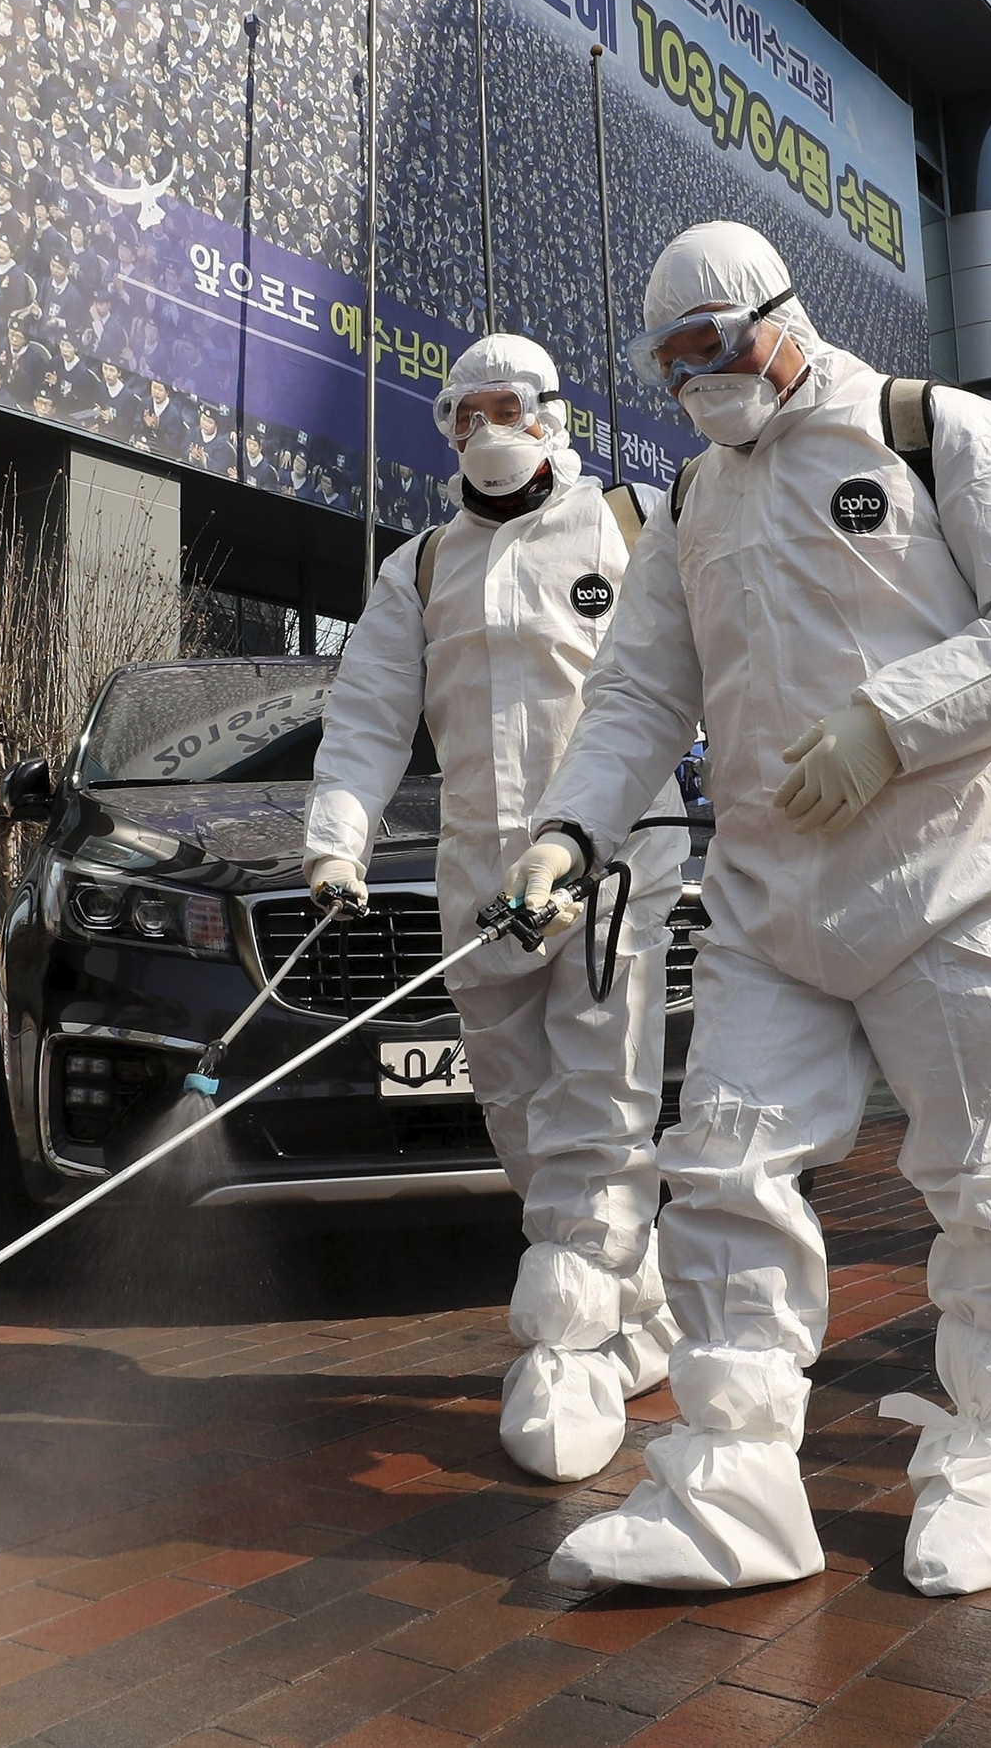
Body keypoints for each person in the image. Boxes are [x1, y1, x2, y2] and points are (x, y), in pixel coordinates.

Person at [501, 222, 991, 1598]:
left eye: (710, 344)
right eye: (668, 362)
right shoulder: (693, 504)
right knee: (718, 1165)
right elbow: (641, 692)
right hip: (774, 895)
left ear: (778, 315)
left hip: (954, 867)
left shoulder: (929, 429)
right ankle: (733, 1480)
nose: (694, 378)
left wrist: (892, 724)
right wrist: (564, 834)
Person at [304, 333, 681, 1484]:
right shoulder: (419, 567)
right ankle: (640, 1308)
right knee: (520, 1117)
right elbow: (367, 715)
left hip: (613, 863)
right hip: (479, 884)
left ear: (553, 412)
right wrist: (335, 844)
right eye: (457, 414)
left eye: (501, 405)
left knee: (598, 1103)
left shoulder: (633, 524)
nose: (480, 429)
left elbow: (705, 665)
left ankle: (563, 1352)